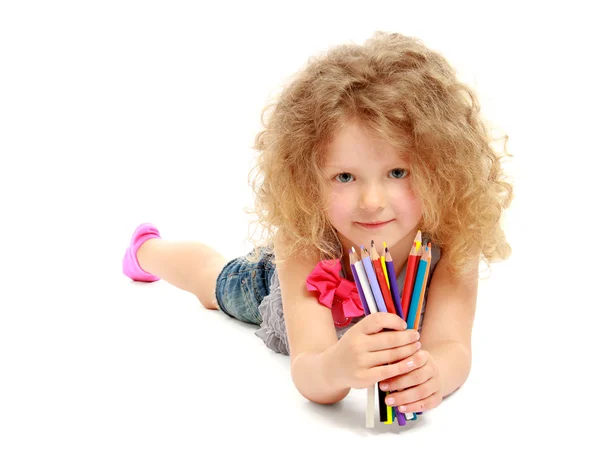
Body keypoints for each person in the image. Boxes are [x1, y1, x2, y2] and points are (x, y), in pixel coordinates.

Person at [122, 31, 513, 412]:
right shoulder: (304, 242)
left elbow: (452, 346)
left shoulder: (451, 239)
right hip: (273, 287)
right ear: (307, 179)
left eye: (398, 172)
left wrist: (432, 375)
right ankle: (146, 251)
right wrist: (336, 367)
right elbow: (309, 370)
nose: (372, 202)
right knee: (213, 281)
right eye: (345, 177)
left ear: (442, 168)